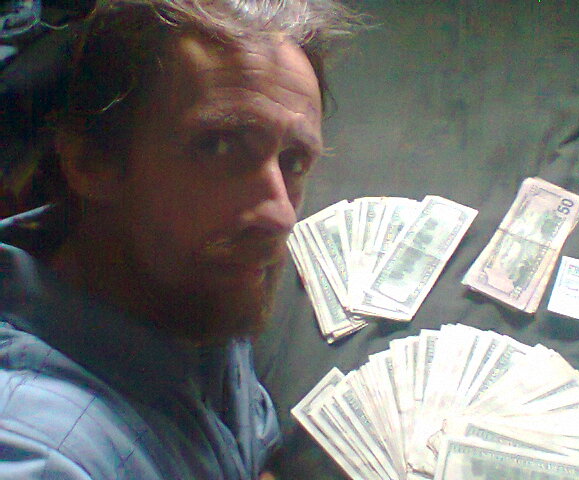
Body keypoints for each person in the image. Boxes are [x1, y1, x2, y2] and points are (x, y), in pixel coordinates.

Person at [0, 1, 360, 478]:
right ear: (90, 161)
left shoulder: (187, 284)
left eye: (293, 160)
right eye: (221, 146)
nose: (281, 216)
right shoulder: (40, 451)